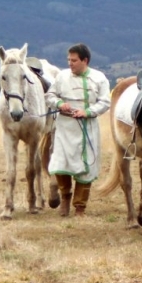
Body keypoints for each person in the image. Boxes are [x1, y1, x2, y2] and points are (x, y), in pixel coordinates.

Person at [46, 43, 111, 216]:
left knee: (85, 166)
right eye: (69, 60)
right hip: (64, 128)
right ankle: (65, 197)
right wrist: (60, 103)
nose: (70, 63)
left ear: (85, 60)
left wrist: (87, 112)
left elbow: (105, 102)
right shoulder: (62, 77)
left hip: (87, 128)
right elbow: (50, 96)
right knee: (60, 164)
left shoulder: (99, 78)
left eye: (74, 60)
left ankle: (80, 206)